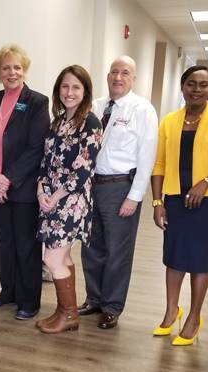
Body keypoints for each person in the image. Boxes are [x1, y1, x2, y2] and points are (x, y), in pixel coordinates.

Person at [151, 65, 208, 345]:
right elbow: (160, 164)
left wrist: (205, 182)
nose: (197, 89)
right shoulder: (169, 121)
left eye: (203, 85)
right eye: (191, 83)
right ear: (183, 87)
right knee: (174, 257)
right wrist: (157, 202)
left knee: (199, 261)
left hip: (206, 203)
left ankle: (194, 317)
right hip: (175, 200)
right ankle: (171, 312)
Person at [79, 55, 158, 329]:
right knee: (90, 247)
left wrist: (135, 196)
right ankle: (94, 298)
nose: (118, 77)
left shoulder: (142, 109)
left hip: (120, 187)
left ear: (133, 78)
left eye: (125, 72)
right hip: (91, 187)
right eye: (114, 71)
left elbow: (147, 156)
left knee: (117, 251)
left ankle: (112, 306)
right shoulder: (96, 106)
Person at [0, 44, 50, 320]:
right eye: (6, 68)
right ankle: (7, 292)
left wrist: (7, 179)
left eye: (17, 67)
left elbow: (36, 148)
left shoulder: (37, 102)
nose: (12, 72)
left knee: (26, 246)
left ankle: (29, 301)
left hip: (21, 189)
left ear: (25, 69)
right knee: (4, 243)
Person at [35, 65, 102, 334]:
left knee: (52, 259)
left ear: (85, 91)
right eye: (65, 86)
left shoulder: (91, 122)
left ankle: (70, 314)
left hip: (72, 201)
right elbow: (45, 161)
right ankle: (64, 311)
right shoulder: (58, 121)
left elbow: (84, 168)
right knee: (64, 257)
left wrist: (57, 196)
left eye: (76, 87)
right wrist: (41, 190)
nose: (69, 92)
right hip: (51, 197)